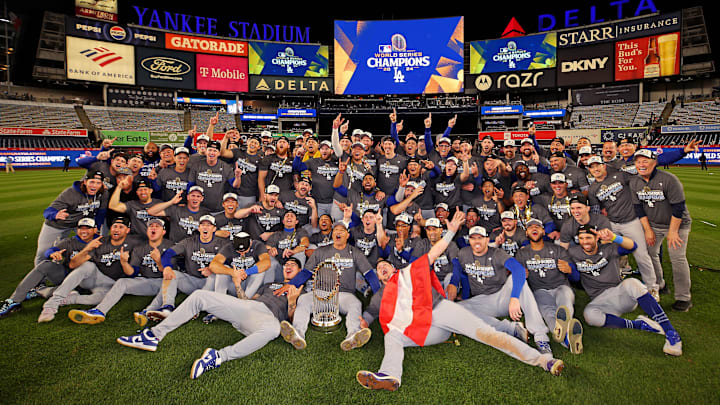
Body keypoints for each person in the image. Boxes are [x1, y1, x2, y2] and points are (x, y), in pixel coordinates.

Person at [356, 211, 564, 391]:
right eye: (379, 268)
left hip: (439, 310)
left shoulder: (407, 272)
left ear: (394, 268)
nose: (382, 267)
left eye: (386, 265)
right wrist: (362, 323)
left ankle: (543, 360)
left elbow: (434, 252)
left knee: (487, 335)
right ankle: (389, 374)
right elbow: (370, 313)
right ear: (378, 276)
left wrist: (452, 231)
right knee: (392, 336)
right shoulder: (381, 295)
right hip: (425, 328)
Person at [116, 258, 305, 379]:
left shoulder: (300, 291)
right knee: (200, 295)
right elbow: (245, 301)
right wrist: (238, 286)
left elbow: (290, 321)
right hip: (250, 309)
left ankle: (217, 357)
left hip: (269, 320)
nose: (288, 267)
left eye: (293, 265)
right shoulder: (271, 284)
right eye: (286, 264)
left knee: (273, 330)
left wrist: (292, 301)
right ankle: (154, 336)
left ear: (299, 271)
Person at [567, 225, 682, 356]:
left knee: (632, 283)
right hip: (600, 300)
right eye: (581, 238)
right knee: (589, 315)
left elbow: (632, 246)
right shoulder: (573, 253)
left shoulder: (608, 249)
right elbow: (575, 277)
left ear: (596, 237)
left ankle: (671, 333)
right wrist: (569, 270)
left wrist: (614, 237)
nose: (585, 241)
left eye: (588, 237)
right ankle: (639, 325)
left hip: (620, 294)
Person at [275, 222, 378, 351]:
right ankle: (297, 333)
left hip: (342, 295)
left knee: (355, 303)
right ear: (332, 235)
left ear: (347, 235)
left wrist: (378, 292)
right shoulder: (321, 251)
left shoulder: (355, 252)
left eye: (341, 230)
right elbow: (306, 272)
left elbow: (369, 274)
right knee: (303, 300)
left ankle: (353, 335)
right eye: (335, 231)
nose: (338, 233)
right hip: (320, 293)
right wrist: (291, 284)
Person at [451, 224, 553, 354]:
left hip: (502, 297)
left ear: (487, 240)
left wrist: (514, 297)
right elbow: (457, 268)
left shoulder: (497, 253)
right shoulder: (464, 253)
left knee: (517, 280)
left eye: (480, 237)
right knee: (457, 308)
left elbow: (519, 270)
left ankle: (540, 336)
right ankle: (511, 329)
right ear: (469, 240)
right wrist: (453, 284)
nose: (477, 241)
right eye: (473, 238)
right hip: (481, 301)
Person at [67, 219, 174, 324]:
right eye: (151, 226)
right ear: (147, 231)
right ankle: (99, 311)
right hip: (146, 281)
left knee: (167, 281)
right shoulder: (140, 248)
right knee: (122, 282)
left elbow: (171, 274)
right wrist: (124, 263)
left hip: (164, 283)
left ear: (163, 232)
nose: (153, 228)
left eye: (157, 226)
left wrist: (159, 261)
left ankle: (149, 311)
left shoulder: (170, 246)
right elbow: (132, 273)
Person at [37, 216, 139, 322]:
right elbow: (73, 265)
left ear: (127, 230)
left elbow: (132, 273)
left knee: (101, 299)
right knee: (87, 266)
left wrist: (124, 262)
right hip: (95, 276)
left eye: (121, 227)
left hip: (111, 284)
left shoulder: (134, 243)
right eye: (114, 226)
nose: (117, 229)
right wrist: (87, 249)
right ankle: (51, 305)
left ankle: (70, 299)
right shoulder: (100, 242)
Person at [628, 149, 693, 311]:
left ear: (655, 162)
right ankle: (660, 284)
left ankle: (683, 298)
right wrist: (648, 230)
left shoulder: (669, 179)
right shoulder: (635, 182)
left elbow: (678, 208)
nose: (641, 164)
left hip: (678, 224)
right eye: (638, 161)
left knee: (677, 258)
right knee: (649, 253)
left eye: (645, 161)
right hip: (654, 225)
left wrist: (672, 231)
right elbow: (639, 209)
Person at [0, 218, 97, 318]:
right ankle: (14, 301)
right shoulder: (70, 242)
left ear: (95, 229)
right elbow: (50, 250)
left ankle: (41, 291)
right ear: (77, 229)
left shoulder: (102, 241)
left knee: (75, 288)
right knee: (45, 264)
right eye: (81, 228)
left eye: (88, 228)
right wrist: (52, 253)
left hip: (89, 282)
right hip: (66, 278)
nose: (84, 231)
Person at [515, 219, 582, 353]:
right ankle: (567, 340)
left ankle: (563, 329)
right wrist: (522, 275)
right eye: (530, 227)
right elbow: (518, 279)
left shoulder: (557, 249)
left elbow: (576, 277)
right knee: (548, 313)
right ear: (526, 233)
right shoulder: (522, 254)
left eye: (538, 226)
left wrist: (570, 270)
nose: (534, 228)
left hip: (560, 287)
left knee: (565, 302)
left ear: (543, 231)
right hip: (540, 291)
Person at [34, 171, 108, 266]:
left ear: (102, 184)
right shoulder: (71, 193)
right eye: (92, 182)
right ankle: (40, 277)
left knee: (90, 244)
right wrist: (55, 215)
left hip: (78, 225)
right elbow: (48, 211)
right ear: (85, 182)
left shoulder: (103, 194)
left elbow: (101, 212)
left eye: (98, 183)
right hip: (57, 224)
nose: (94, 185)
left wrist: (97, 226)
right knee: (42, 251)